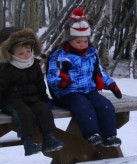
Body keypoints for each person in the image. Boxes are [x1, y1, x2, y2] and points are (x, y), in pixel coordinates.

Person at [0, 27, 64, 156]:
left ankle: (49, 137)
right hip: (11, 101)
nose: (26, 55)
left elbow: (40, 85)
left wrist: (45, 99)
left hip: (32, 99)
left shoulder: (34, 65)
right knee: (24, 114)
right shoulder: (4, 69)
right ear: (10, 53)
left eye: (29, 51)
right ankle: (28, 141)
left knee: (44, 110)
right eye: (21, 53)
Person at [46, 8, 123, 148]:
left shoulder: (91, 54)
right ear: (69, 40)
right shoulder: (60, 55)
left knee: (104, 105)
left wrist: (111, 85)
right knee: (83, 106)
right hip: (68, 92)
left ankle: (110, 135)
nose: (82, 45)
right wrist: (62, 82)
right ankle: (91, 133)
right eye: (78, 41)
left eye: (85, 41)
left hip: (89, 89)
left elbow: (100, 72)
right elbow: (52, 76)